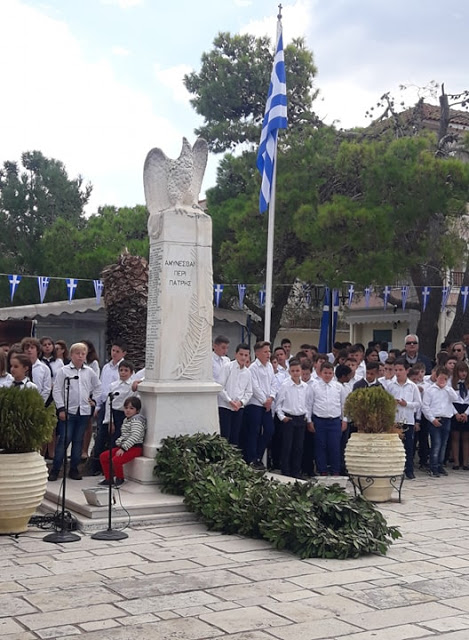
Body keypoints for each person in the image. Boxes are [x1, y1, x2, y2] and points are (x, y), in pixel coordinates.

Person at [49, 342, 102, 482]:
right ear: (71, 355)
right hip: (68, 411)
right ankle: (56, 469)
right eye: (77, 353)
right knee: (64, 439)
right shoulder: (64, 371)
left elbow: (98, 387)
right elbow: (57, 390)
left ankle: (74, 468)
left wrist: (94, 401)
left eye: (83, 354)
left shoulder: (89, 372)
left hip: (83, 411)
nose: (80, 356)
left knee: (78, 441)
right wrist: (60, 408)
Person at [89, 340, 127, 475]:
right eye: (113, 350)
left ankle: (110, 467)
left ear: (123, 353)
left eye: (117, 351)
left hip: (118, 406)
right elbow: (101, 387)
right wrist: (98, 405)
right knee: (100, 435)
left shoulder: (124, 367)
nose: (114, 353)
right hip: (105, 404)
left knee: (115, 437)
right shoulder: (106, 367)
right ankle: (95, 466)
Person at [383, 358, 421, 480]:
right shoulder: (390, 385)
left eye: (400, 370)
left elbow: (418, 403)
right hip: (394, 420)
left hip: (407, 420)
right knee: (394, 447)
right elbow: (386, 400)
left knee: (408, 446)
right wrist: (391, 403)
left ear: (406, 370)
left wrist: (407, 404)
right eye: (396, 370)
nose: (398, 372)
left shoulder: (412, 386)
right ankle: (394, 470)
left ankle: (409, 470)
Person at [275, 358, 313, 478]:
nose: (295, 373)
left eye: (297, 370)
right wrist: (282, 417)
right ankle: (285, 471)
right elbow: (278, 404)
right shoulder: (285, 386)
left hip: (301, 419)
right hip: (289, 419)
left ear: (301, 371)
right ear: (289, 372)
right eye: (293, 371)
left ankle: (296, 472)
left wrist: (307, 416)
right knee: (287, 446)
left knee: (299, 447)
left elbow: (307, 403)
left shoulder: (305, 387)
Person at [244, 341, 277, 470]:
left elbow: (274, 383)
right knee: (254, 431)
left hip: (267, 404)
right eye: (265, 352)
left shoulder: (269, 366)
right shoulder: (253, 368)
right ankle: (252, 459)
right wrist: (264, 400)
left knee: (269, 430)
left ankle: (257, 455)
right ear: (257, 353)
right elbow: (255, 387)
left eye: (269, 351)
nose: (268, 354)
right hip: (256, 404)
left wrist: (271, 397)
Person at [310, 362, 347, 476]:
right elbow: (309, 404)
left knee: (335, 446)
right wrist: (309, 421)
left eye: (330, 373)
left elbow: (343, 405)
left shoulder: (338, 387)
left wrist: (344, 419)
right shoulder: (314, 386)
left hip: (334, 421)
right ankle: (322, 471)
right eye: (325, 373)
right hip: (319, 420)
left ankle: (336, 470)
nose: (327, 375)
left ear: (333, 374)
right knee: (320, 446)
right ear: (320, 373)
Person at [99, 396, 146, 487]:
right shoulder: (126, 420)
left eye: (131, 408)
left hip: (134, 447)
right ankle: (109, 478)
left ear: (137, 410)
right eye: (126, 408)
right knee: (104, 456)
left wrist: (124, 448)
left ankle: (120, 478)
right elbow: (124, 434)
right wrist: (119, 441)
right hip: (124, 446)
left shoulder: (137, 421)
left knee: (116, 460)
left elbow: (135, 436)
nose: (128, 410)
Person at [422, 367, 458, 478]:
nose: (442, 380)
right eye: (441, 378)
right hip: (435, 419)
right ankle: (433, 467)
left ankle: (440, 464)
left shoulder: (448, 389)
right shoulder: (430, 390)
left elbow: (455, 398)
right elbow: (425, 406)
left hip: (446, 419)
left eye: (445, 378)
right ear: (437, 377)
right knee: (436, 444)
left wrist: (447, 387)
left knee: (443, 444)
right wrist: (432, 419)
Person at [217, 343, 252, 447]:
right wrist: (229, 401)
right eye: (241, 354)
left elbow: (249, 391)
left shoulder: (248, 373)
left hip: (238, 408)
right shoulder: (227, 367)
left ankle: (232, 461)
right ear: (236, 354)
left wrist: (241, 402)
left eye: (246, 355)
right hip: (225, 407)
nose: (243, 357)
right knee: (225, 436)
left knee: (235, 436)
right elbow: (220, 386)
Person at [21, 337, 52, 404]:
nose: (29, 350)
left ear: (37, 350)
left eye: (32, 348)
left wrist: (39, 403)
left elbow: (46, 389)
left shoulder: (44, 368)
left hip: (39, 402)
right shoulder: (20, 367)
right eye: (27, 348)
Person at [450, 361, 469, 470]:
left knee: (466, 437)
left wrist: (466, 413)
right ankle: (456, 462)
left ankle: (465, 462)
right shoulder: (451, 383)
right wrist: (456, 413)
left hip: (466, 409)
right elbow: (448, 400)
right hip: (455, 408)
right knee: (455, 437)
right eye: (461, 371)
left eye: (465, 371)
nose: (463, 374)